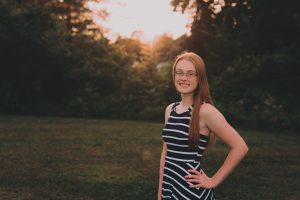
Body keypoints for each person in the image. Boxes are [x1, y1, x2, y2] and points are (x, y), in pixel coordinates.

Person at [157, 52, 249, 200]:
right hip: (170, 190)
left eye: (190, 74)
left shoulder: (206, 111)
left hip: (191, 193)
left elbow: (240, 147)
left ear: (199, 78)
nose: (183, 78)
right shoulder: (170, 110)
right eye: (179, 73)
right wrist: (161, 191)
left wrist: (213, 180)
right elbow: (165, 153)